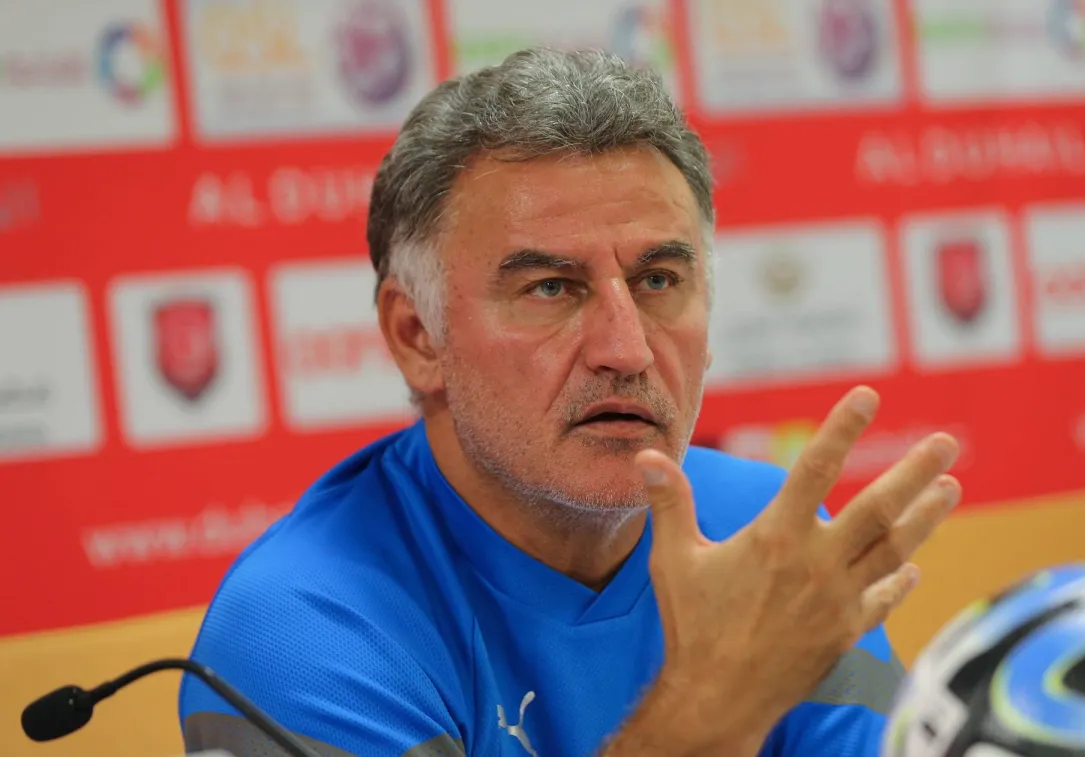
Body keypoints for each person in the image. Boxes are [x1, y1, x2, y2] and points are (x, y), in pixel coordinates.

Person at [178, 48, 963, 757]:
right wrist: (703, 713)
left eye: (658, 279)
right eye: (551, 288)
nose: (626, 348)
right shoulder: (300, 629)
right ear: (418, 336)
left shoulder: (760, 532)